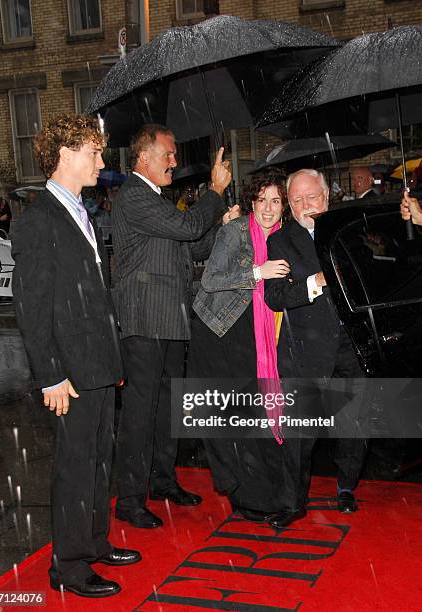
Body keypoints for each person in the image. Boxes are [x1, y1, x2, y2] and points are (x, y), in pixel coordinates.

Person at [11, 114, 141, 598]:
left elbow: (95, 295)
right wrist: (50, 377)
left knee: (98, 461)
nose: (101, 162)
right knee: (74, 465)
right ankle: (68, 565)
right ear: (65, 154)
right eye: (94, 152)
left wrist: (112, 363)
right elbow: (32, 306)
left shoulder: (82, 210)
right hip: (68, 370)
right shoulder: (38, 219)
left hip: (98, 364)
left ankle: (92, 541)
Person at [112, 124, 232, 529]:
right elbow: (187, 228)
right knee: (140, 413)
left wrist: (223, 219)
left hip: (170, 318)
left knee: (165, 410)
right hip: (144, 318)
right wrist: (214, 194)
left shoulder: (157, 200)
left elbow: (193, 245)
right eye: (169, 154)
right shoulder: (133, 195)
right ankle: (129, 499)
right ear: (144, 157)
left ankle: (163, 481)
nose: (175, 161)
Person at [265, 169, 368, 528]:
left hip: (351, 344)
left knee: (354, 424)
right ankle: (292, 503)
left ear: (327, 196)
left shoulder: (347, 230)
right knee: (298, 434)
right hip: (303, 349)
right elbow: (274, 297)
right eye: (296, 200)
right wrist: (314, 282)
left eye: (312, 197)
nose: (305, 205)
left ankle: (346, 487)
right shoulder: (280, 242)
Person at [189, 171, 290, 522]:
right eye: (262, 200)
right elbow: (211, 280)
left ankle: (260, 493)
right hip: (218, 330)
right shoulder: (235, 231)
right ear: (251, 202)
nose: (268, 208)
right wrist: (257, 272)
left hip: (254, 334)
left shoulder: (284, 238)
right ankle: (247, 496)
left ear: (283, 206)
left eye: (275, 201)